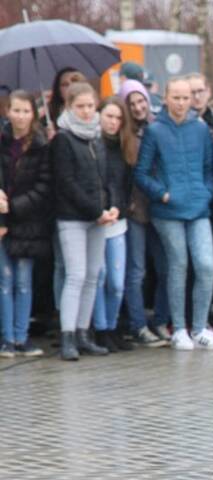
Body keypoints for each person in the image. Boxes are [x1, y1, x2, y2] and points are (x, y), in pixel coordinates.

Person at [135, 77, 213, 351]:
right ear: (166, 97)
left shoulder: (200, 129)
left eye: (186, 98)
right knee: (178, 265)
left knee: (206, 265)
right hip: (168, 210)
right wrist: (162, 194)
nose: (182, 103)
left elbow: (210, 169)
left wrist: (206, 192)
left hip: (198, 207)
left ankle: (199, 328)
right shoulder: (155, 131)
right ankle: (179, 329)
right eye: (176, 97)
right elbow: (141, 172)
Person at [51, 83, 116, 360]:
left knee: (93, 276)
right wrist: (95, 210)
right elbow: (66, 183)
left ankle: (82, 332)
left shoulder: (97, 137)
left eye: (91, 106)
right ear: (69, 107)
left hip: (99, 218)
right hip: (73, 218)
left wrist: (112, 207)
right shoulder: (63, 139)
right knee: (76, 275)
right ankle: (67, 336)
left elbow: (106, 178)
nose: (87, 112)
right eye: (81, 106)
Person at [0, 90, 51, 357]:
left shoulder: (42, 144)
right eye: (16, 110)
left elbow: (44, 187)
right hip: (3, 221)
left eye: (25, 111)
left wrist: (14, 206)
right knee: (4, 280)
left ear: (34, 114)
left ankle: (22, 336)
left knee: (23, 280)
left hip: (29, 221)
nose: (20, 116)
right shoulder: (2, 140)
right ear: (8, 111)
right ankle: (7, 337)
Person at [120, 79, 170, 347]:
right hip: (135, 209)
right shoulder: (124, 134)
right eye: (132, 103)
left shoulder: (159, 126)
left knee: (165, 268)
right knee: (136, 270)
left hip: (161, 207)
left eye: (141, 101)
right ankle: (138, 325)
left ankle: (161, 320)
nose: (138, 107)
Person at [91, 97, 132, 353]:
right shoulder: (92, 145)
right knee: (99, 275)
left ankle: (112, 325)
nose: (113, 123)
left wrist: (119, 207)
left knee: (117, 281)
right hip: (96, 218)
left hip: (118, 219)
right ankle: (100, 328)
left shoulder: (124, 149)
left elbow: (124, 185)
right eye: (109, 116)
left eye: (118, 118)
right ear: (99, 115)